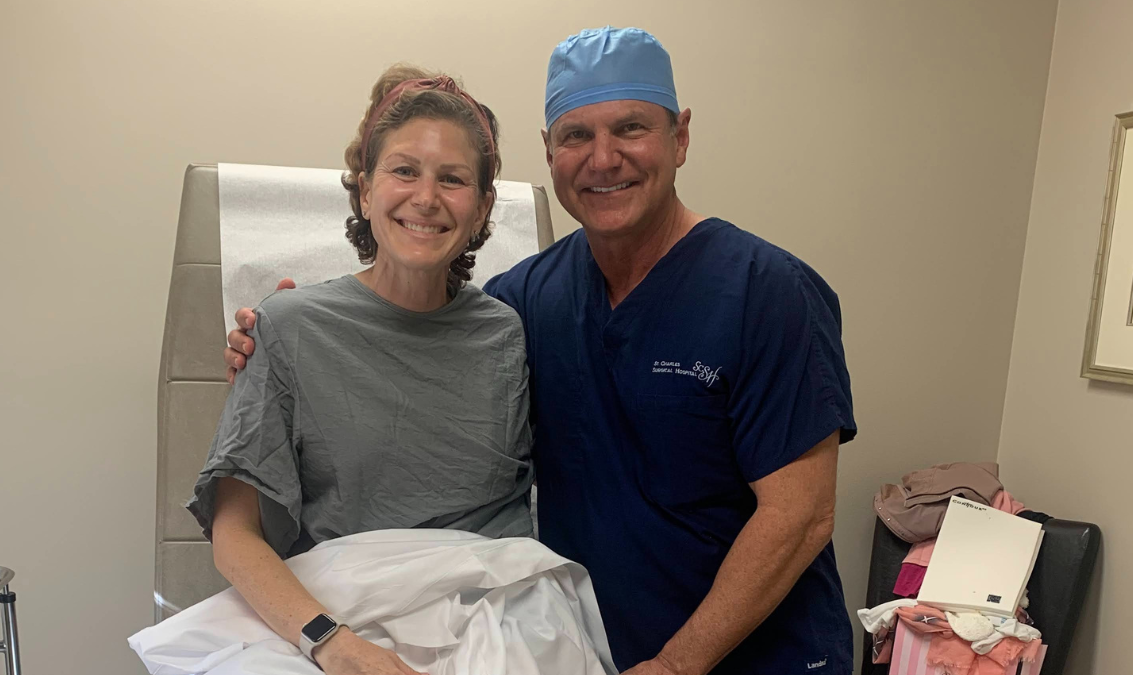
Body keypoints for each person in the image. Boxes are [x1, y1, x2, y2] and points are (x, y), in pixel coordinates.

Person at [227, 27, 858, 675]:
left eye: (631, 128)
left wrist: (676, 665)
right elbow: (421, 342)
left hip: (756, 657)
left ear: (680, 137)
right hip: (590, 648)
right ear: (550, 151)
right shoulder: (524, 301)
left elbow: (801, 515)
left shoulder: (768, 292)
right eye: (576, 135)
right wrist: (276, 341)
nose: (603, 159)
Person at [193, 65, 536, 675]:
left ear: (483, 207)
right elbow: (234, 533)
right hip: (333, 619)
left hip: (497, 619)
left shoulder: (509, 334)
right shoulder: (287, 328)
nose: (426, 197)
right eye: (404, 170)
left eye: (452, 178)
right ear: (364, 190)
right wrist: (334, 645)